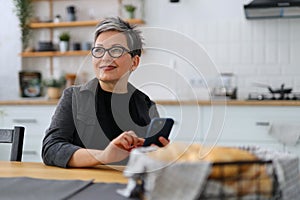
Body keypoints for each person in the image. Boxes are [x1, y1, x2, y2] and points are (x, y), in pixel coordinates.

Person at [42, 17, 169, 168]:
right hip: (80, 184)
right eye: (99, 50)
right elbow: (51, 148)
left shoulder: (146, 105)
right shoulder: (74, 97)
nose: (105, 57)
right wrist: (104, 156)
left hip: (126, 185)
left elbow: (150, 161)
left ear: (134, 62)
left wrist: (161, 154)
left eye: (116, 50)